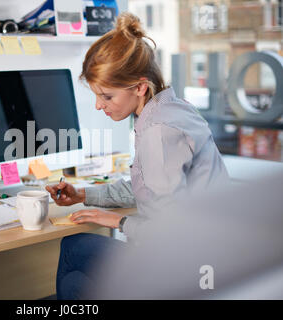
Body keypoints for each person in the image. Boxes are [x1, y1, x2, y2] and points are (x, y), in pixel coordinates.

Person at [45, 12, 229, 300]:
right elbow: (150, 186)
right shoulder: (171, 108)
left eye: (107, 96)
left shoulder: (158, 131)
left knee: (75, 266)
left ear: (140, 87)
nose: (98, 105)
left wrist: (117, 222)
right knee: (75, 266)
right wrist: (83, 194)